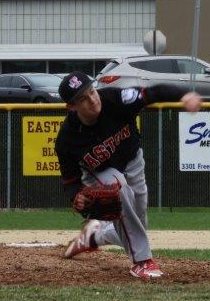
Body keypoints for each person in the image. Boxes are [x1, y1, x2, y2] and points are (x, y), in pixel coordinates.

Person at [55, 71, 201, 281]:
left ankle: (94, 237)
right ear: (71, 107)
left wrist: (184, 94)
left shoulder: (115, 100)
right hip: (98, 174)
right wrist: (76, 196)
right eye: (82, 98)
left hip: (132, 161)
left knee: (136, 225)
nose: (92, 99)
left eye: (92, 91)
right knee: (117, 186)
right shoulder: (67, 139)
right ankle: (141, 262)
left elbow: (154, 92)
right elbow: (69, 180)